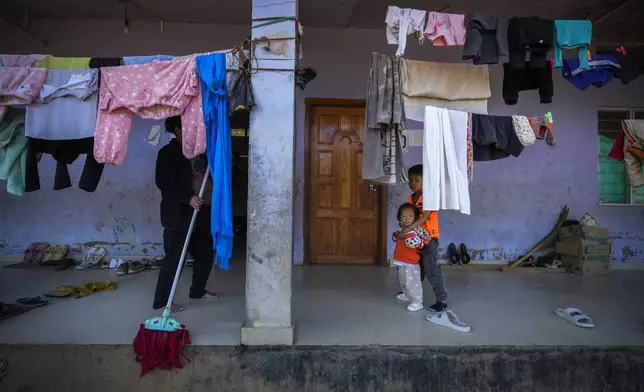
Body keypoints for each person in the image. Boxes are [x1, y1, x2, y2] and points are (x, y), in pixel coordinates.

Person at [152, 116, 218, 313]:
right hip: (179, 215)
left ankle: (197, 290)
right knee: (175, 259)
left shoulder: (201, 153)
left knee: (205, 254)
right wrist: (188, 198)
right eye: (186, 127)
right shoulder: (168, 153)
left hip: (203, 211)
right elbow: (163, 183)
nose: (192, 130)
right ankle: (162, 301)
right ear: (176, 129)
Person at [393, 164, 448, 312]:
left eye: (416, 180)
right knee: (414, 268)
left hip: (429, 239)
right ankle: (411, 294)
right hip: (415, 237)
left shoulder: (430, 197)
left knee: (431, 269)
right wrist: (403, 228)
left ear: (426, 180)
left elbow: (424, 217)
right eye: (410, 180)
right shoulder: (411, 198)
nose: (412, 183)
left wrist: (409, 228)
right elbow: (410, 217)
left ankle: (441, 299)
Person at [392, 203, 431, 312]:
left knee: (412, 283)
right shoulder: (403, 229)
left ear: (415, 218)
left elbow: (416, 243)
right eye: (404, 216)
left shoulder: (414, 230)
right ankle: (406, 294)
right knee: (403, 281)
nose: (407, 219)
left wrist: (409, 239)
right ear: (400, 218)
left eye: (410, 216)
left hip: (411, 263)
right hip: (402, 260)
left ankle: (417, 302)